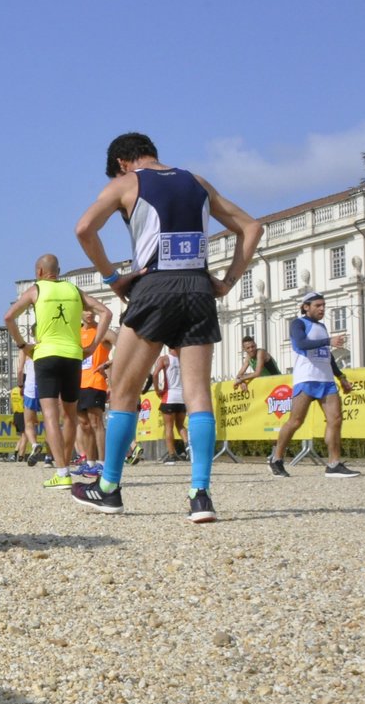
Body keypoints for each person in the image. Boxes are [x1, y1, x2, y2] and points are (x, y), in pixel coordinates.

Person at [70, 132, 263, 522]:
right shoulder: (198, 182)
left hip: (154, 287)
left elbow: (84, 229)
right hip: (197, 288)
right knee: (198, 395)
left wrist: (112, 278)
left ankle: (108, 488)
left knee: (123, 391)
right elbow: (252, 227)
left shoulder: (126, 183)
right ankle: (200, 495)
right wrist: (225, 282)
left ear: (123, 162)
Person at [3, 254, 111, 490]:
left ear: (39, 272)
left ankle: (62, 473)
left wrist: (23, 345)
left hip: (45, 355)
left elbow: (9, 317)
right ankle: (68, 468)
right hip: (73, 356)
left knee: (51, 416)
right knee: (70, 416)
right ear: (58, 271)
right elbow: (106, 313)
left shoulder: (36, 290)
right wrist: (92, 347)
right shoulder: (74, 290)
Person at [267, 292, 359, 478]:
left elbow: (327, 354)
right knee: (295, 421)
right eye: (318, 305)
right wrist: (329, 341)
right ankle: (276, 458)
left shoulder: (322, 327)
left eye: (323, 305)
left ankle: (333, 464)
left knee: (336, 419)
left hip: (327, 381)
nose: (322, 308)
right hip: (306, 379)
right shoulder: (298, 323)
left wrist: (341, 377)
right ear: (306, 307)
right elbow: (301, 343)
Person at [74, 309, 114, 477]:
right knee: (84, 425)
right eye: (85, 310)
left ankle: (103, 464)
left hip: (95, 382)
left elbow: (124, 346)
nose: (89, 313)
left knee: (96, 422)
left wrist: (109, 364)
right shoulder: (76, 332)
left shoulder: (103, 331)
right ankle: (90, 463)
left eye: (92, 310)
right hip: (77, 383)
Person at [153, 345, 188, 463]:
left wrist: (157, 389)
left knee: (168, 427)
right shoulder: (184, 359)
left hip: (170, 395)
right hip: (182, 397)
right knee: (181, 425)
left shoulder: (164, 359)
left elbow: (155, 374)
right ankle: (188, 447)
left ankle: (172, 454)